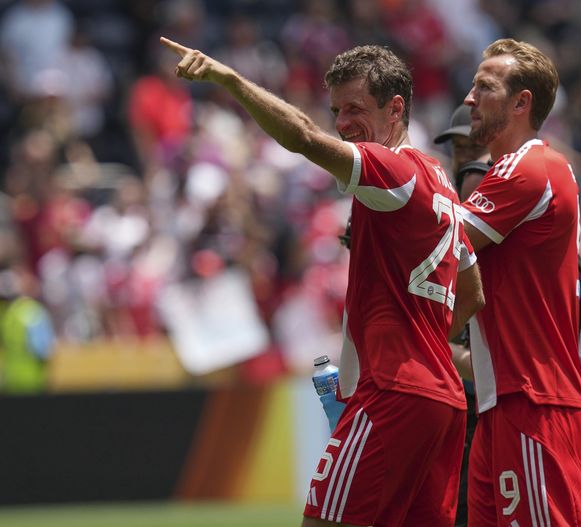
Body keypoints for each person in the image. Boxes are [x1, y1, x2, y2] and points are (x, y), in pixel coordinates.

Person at [160, 37, 485, 527]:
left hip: (393, 393)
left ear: (395, 109)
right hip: (441, 401)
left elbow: (305, 138)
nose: (342, 123)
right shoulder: (437, 178)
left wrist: (229, 80)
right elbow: (473, 291)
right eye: (337, 109)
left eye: (355, 108)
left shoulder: (392, 172)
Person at [435, 103, 581, 527]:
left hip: (523, 401)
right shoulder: (479, 241)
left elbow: (525, 349)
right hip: (491, 411)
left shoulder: (520, 233)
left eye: (471, 151)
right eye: (457, 151)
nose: (463, 163)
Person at [459, 38, 581, 526]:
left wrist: (389, 180)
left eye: (484, 87)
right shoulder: (512, 170)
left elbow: (440, 247)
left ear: (522, 103)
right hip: (506, 401)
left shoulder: (530, 166)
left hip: (533, 401)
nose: (469, 99)